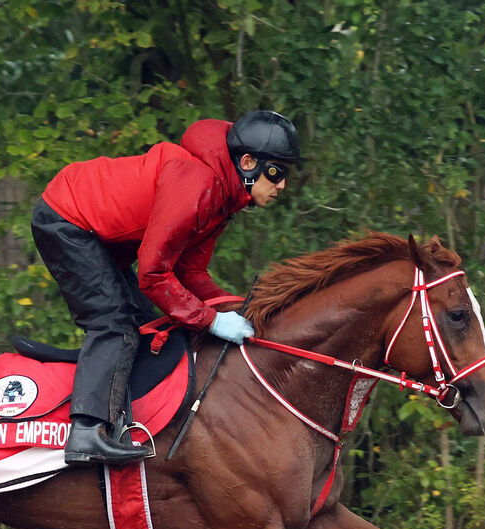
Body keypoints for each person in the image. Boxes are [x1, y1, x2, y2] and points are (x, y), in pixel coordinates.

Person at [31, 109, 301, 466]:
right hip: (67, 218)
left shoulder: (223, 196)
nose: (282, 185)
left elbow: (190, 272)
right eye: (275, 172)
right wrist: (212, 322)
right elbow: (154, 276)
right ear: (248, 162)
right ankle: (85, 432)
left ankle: (123, 423)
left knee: (149, 327)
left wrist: (233, 310)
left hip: (100, 234)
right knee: (114, 323)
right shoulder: (197, 183)